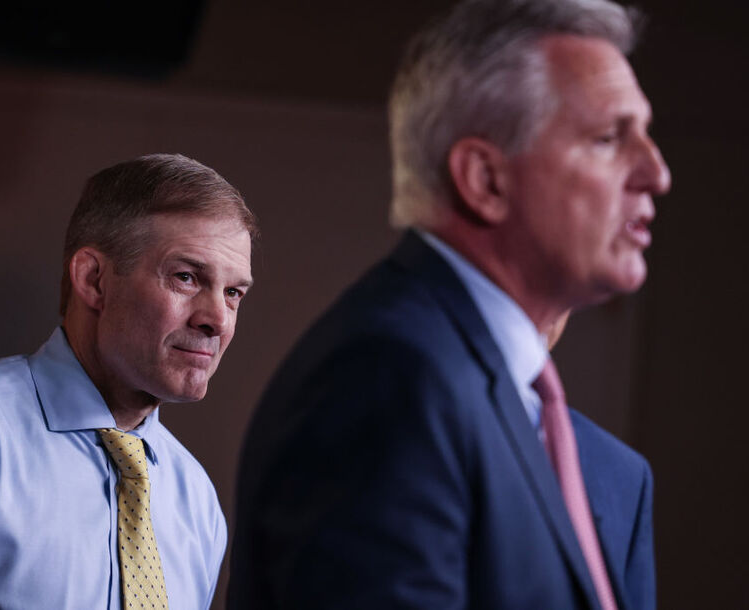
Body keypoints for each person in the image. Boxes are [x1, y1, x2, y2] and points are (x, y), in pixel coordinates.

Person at [229, 0, 669, 608]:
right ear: (486, 181)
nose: (656, 172)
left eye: (645, 135)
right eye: (607, 138)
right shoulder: (385, 378)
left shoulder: (477, 390)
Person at [0, 153, 257, 609]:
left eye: (233, 293)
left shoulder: (197, 502)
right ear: (93, 280)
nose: (217, 321)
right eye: (186, 277)